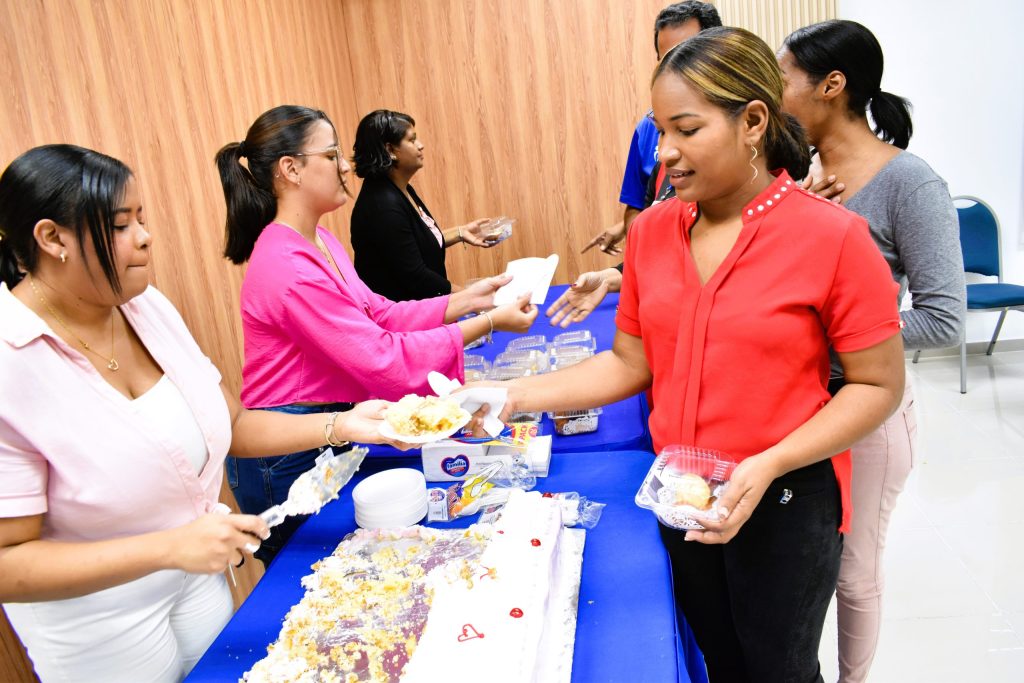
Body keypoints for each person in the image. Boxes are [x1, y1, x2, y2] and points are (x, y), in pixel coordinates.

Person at [471, 27, 906, 681]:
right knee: (720, 658)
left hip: (785, 495)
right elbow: (630, 362)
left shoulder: (834, 238)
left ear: (753, 122)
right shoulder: (651, 232)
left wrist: (770, 462)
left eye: (686, 129)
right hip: (682, 491)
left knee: (780, 669)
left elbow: (877, 385)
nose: (664, 152)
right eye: (659, 130)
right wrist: (510, 395)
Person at [0, 144, 401, 681]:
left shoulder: (145, 306)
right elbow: (8, 560)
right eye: (121, 226)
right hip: (99, 624)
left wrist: (341, 424)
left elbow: (230, 423)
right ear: (53, 239)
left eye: (142, 219)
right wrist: (169, 548)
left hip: (194, 580)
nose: (145, 237)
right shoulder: (12, 361)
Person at [215, 105, 537, 565]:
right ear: (291, 169)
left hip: (327, 428)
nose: (345, 166)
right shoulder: (286, 264)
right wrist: (487, 323)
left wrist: (469, 301)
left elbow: (379, 313)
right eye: (331, 155)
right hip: (287, 448)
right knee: (313, 575)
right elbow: (380, 356)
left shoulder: (319, 241)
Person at [778, 20, 965, 682]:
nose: (773, 95)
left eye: (783, 80)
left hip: (866, 407)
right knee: (803, 564)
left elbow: (944, 319)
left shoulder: (908, 183)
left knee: (854, 574)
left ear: (831, 86)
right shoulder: (792, 175)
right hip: (797, 404)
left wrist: (841, 334)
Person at [581, 1, 722, 257]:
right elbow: (638, 206)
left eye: (687, 55)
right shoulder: (647, 128)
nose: (668, 151)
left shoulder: (741, 123)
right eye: (666, 59)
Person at [350, 109, 500, 301]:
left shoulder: (399, 189)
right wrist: (471, 296)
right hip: (403, 314)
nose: (421, 145)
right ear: (390, 150)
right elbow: (416, 275)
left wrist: (460, 232)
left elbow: (413, 242)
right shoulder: (383, 205)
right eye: (412, 140)